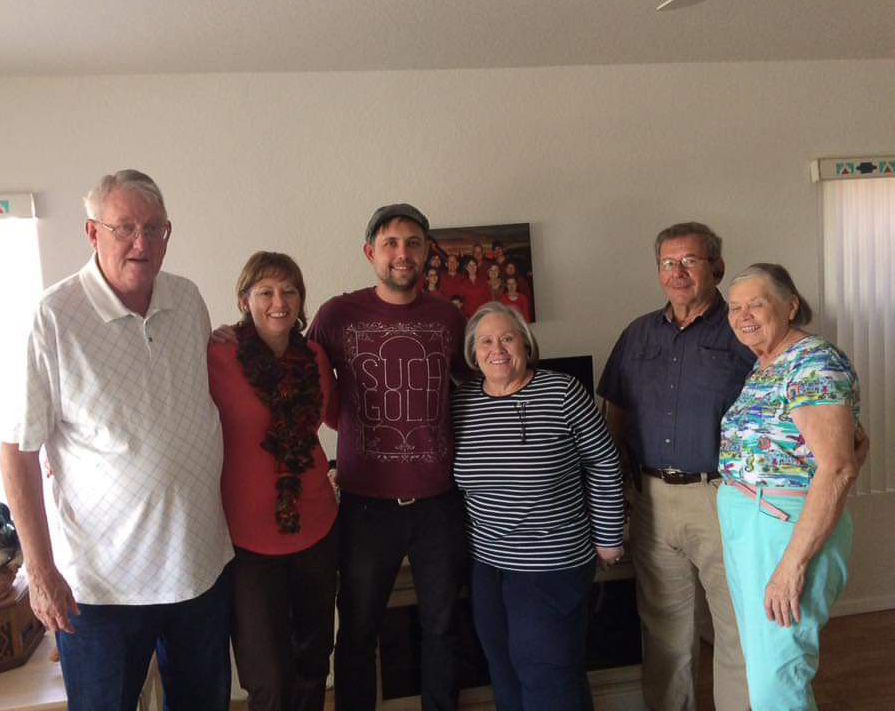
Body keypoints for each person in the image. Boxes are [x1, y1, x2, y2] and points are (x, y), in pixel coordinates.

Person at [1, 170, 233, 711]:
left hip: (198, 567)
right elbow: (18, 449)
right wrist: (39, 571)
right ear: (92, 232)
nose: (141, 242)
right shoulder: (55, 317)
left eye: (154, 228)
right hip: (103, 587)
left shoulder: (187, 299)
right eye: (124, 227)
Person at [307, 203, 468, 711]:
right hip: (365, 506)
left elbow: (471, 392)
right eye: (391, 243)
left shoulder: (449, 316)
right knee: (357, 629)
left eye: (413, 243)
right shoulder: (337, 315)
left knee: (443, 625)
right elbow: (302, 379)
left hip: (439, 503)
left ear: (427, 253)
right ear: (369, 252)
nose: (403, 253)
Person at [598, 222, 752, 711]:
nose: (677, 272)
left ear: (717, 268)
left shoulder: (744, 331)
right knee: (665, 629)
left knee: (737, 626)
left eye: (689, 261)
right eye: (668, 262)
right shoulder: (638, 333)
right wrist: (616, 489)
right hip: (652, 500)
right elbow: (614, 415)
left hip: (724, 498)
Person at [452, 302, 624, 710]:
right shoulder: (461, 403)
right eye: (485, 341)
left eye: (507, 338)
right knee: (503, 669)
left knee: (546, 673)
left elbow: (604, 460)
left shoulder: (562, 392)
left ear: (526, 345)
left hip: (551, 562)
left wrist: (609, 535)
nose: (497, 349)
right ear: (472, 353)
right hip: (487, 564)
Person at [717, 264, 859, 710]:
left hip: (781, 526)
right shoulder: (766, 364)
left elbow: (838, 466)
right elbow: (845, 447)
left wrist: (791, 567)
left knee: (777, 676)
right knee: (765, 667)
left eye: (756, 304)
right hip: (754, 520)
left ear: (790, 305)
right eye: (734, 307)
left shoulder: (812, 361)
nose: (743, 316)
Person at [208, 252, 338, 711]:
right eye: (265, 291)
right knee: (268, 677)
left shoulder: (315, 357)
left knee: (313, 662)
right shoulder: (216, 355)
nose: (278, 302)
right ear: (245, 300)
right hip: (248, 540)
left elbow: (326, 421)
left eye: (289, 291)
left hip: (317, 527)